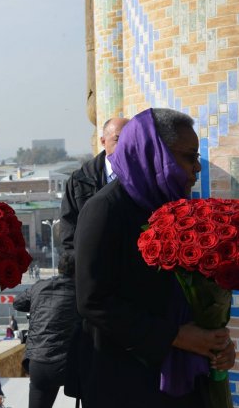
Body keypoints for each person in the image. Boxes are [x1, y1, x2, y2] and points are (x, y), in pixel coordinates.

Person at [72, 108, 235, 407]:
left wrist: (215, 341)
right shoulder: (105, 210)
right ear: (153, 153)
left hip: (185, 380)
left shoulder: (178, 209)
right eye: (188, 157)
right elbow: (93, 301)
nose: (196, 168)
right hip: (128, 382)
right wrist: (174, 336)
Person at [12, 252, 77, 408]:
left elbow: (17, 303)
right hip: (65, 365)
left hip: (37, 363)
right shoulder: (78, 292)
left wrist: (36, 303)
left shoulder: (39, 286)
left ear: (60, 269)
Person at [59, 117, 129, 257]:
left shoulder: (146, 178)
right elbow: (69, 231)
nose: (124, 146)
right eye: (117, 140)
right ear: (103, 141)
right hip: (91, 266)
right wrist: (79, 266)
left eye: (130, 140)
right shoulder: (80, 181)